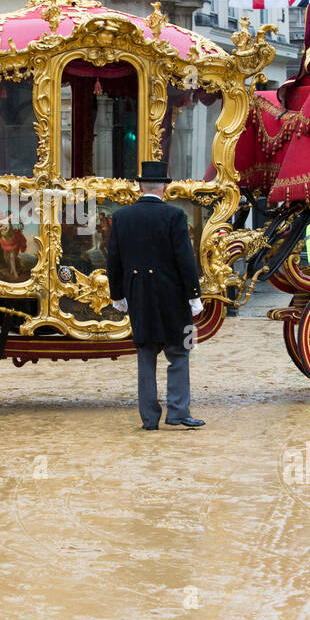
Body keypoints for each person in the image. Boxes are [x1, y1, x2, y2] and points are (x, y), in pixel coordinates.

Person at [106, 160, 205, 430]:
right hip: (173, 297)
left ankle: (149, 419)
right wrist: (194, 296)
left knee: (146, 354)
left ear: (139, 186)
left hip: (138, 295)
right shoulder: (175, 216)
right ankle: (178, 412)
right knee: (180, 352)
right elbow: (185, 260)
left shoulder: (122, 217)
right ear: (165, 187)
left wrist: (118, 295)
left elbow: (113, 259)